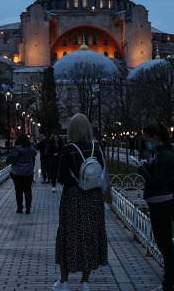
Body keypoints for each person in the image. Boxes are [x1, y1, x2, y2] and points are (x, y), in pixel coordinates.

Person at [53, 114, 107, 291]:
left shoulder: (68, 149)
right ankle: (85, 282)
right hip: (93, 198)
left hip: (73, 198)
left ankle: (64, 281)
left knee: (68, 235)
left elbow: (62, 176)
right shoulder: (96, 147)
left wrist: (76, 181)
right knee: (90, 236)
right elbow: (102, 173)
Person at [134, 122, 174, 291]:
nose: (146, 142)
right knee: (163, 244)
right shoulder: (159, 153)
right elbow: (158, 173)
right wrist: (147, 165)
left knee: (165, 245)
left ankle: (168, 285)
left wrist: (141, 169)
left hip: (161, 203)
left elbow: (157, 181)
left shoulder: (163, 154)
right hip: (158, 202)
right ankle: (167, 283)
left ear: (154, 138)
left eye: (146, 139)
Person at [6, 133, 37, 214]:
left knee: (18, 190)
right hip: (28, 172)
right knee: (28, 189)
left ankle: (20, 208)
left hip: (17, 173)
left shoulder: (14, 149)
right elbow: (35, 153)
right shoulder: (30, 148)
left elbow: (9, 159)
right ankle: (28, 206)